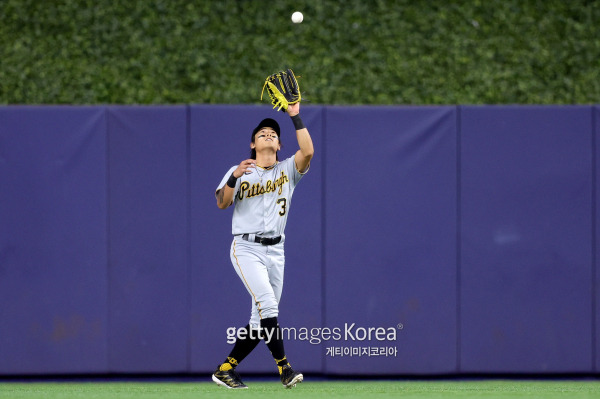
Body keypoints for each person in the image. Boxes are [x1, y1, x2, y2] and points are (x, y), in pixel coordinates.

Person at [212, 102, 314, 389]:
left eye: (273, 133)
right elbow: (221, 203)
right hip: (246, 248)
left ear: (280, 144)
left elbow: (308, 152)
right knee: (268, 305)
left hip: (276, 250)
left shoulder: (288, 171)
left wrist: (294, 115)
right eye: (262, 133)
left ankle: (225, 369)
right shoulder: (239, 170)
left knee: (260, 321)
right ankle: (284, 367)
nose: (268, 134)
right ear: (252, 143)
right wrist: (234, 176)